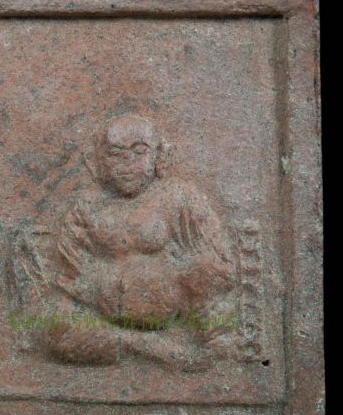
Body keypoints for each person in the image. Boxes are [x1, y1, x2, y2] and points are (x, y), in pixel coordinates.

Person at [47, 114, 235, 370]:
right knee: (56, 332)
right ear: (98, 161)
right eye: (115, 153)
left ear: (160, 156)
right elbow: (72, 278)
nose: (128, 163)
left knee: (205, 272)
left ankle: (194, 346)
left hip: (173, 311)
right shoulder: (88, 208)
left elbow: (216, 265)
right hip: (103, 318)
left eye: (139, 151)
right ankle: (143, 344)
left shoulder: (179, 198)